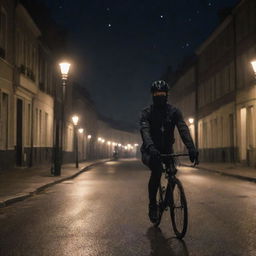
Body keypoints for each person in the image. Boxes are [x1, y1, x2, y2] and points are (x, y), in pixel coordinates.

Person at [139, 80, 199, 223]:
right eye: (157, 94)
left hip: (167, 150)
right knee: (157, 170)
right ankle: (153, 205)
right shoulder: (146, 113)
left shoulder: (174, 112)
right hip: (150, 151)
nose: (160, 96)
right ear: (153, 95)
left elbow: (183, 129)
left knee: (172, 172)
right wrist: (151, 147)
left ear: (167, 95)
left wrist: (191, 147)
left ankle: (166, 201)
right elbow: (145, 132)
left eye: (162, 93)